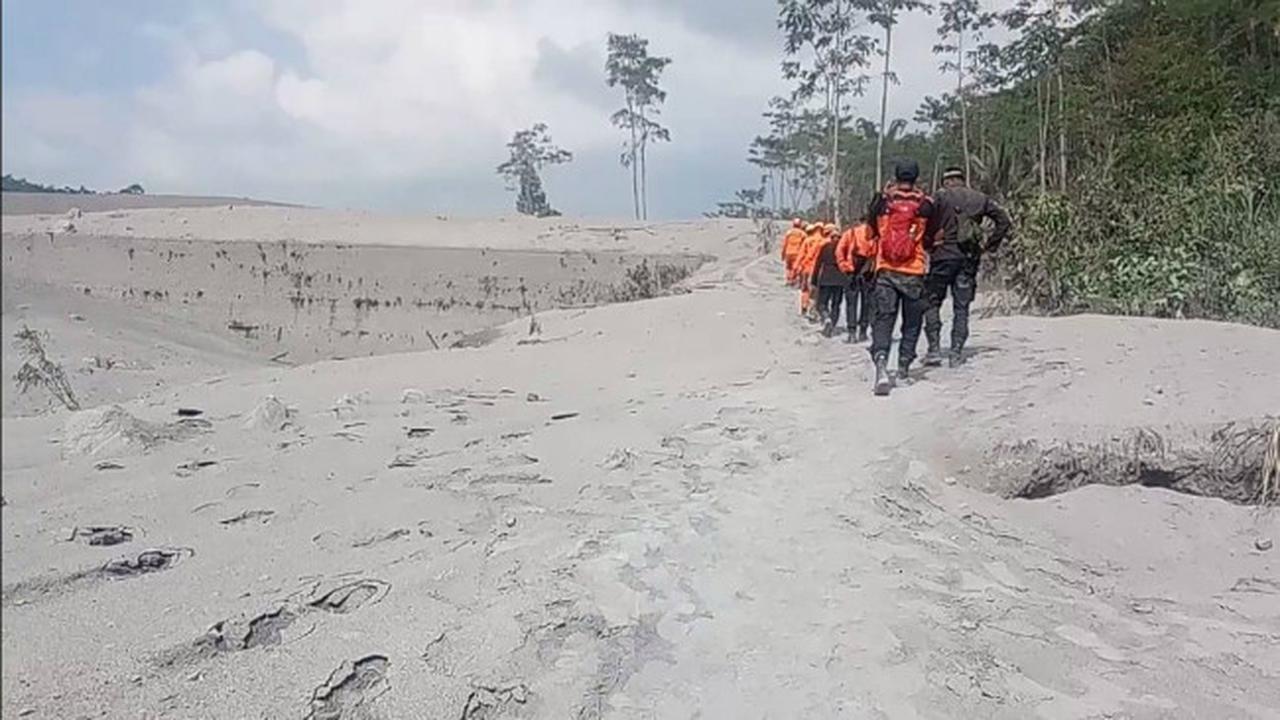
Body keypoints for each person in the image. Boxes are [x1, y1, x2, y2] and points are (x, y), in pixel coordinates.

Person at [923, 167, 1012, 368]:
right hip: (968, 259)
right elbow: (1003, 221)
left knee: (932, 302)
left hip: (942, 257)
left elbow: (923, 222)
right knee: (961, 307)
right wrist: (990, 245)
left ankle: (934, 349)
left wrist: (927, 244)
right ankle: (956, 352)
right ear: (962, 180)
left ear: (946, 181)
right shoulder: (979, 198)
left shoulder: (938, 198)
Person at [866, 160, 937, 395]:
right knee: (912, 321)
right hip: (914, 271)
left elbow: (871, 232)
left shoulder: (882, 202)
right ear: (916, 177)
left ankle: (881, 364)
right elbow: (931, 238)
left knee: (884, 319)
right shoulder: (925, 204)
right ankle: (904, 368)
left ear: (896, 176)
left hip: (885, 269)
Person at [836, 220, 874, 343]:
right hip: (868, 272)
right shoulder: (875, 234)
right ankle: (863, 331)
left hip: (851, 271)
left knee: (851, 303)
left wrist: (844, 266)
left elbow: (839, 251)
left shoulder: (850, 233)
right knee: (867, 302)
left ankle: (852, 333)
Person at [812, 222, 849, 336]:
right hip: (840, 279)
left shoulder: (825, 247)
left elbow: (818, 263)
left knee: (822, 303)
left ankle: (826, 318)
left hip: (826, 278)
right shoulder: (845, 249)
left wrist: (814, 279)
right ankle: (832, 325)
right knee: (836, 304)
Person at [797, 222, 825, 320]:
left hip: (807, 268)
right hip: (819, 270)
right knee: (816, 291)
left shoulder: (807, 240)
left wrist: (797, 267)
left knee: (805, 289)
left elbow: (801, 255)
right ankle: (813, 310)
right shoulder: (824, 241)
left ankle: (804, 307)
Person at [781, 218, 806, 286]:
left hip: (788, 253)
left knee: (788, 267)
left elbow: (784, 244)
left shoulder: (788, 233)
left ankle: (788, 280)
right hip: (797, 253)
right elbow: (804, 245)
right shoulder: (802, 234)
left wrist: (782, 254)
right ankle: (793, 280)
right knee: (795, 267)